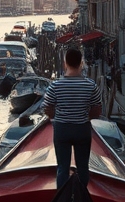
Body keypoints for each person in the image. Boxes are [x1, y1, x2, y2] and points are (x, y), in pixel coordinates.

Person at [43, 47, 104, 189]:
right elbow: (97, 109)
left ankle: (62, 200)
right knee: (83, 167)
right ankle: (82, 198)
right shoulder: (90, 85)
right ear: (81, 63)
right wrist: (85, 116)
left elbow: (47, 108)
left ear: (65, 63)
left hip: (62, 129)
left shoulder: (55, 86)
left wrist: (57, 116)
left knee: (62, 168)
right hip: (82, 129)